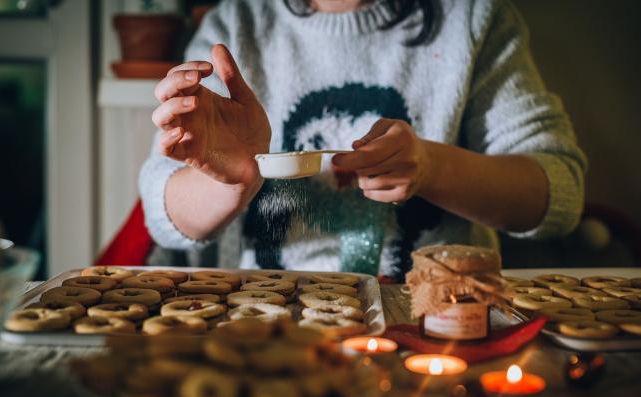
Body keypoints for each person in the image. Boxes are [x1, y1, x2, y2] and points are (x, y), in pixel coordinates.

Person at [139, 0, 586, 280]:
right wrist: (232, 181)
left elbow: (558, 196)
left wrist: (431, 167)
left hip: (438, 322)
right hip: (268, 327)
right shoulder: (237, 23)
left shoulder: (474, 17)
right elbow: (165, 214)